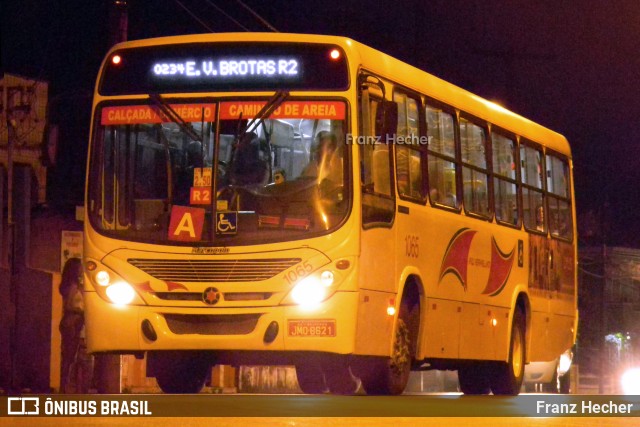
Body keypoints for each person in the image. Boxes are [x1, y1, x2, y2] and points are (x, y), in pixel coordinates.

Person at [59, 258, 92, 393]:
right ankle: (67, 388)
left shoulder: (74, 285)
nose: (81, 270)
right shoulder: (71, 286)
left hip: (74, 322)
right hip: (73, 322)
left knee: (74, 357)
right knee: (71, 357)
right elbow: (71, 305)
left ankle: (72, 389)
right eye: (79, 267)